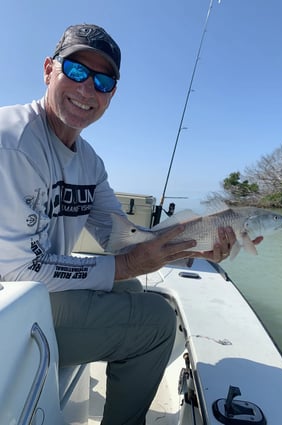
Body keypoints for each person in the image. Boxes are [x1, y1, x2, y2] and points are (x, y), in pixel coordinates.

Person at [0, 24, 243, 425]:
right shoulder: (13, 142)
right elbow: (16, 270)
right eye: (77, 71)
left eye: (103, 80)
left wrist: (196, 241)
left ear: (112, 93)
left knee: (133, 289)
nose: (86, 89)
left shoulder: (89, 162)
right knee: (158, 323)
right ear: (48, 70)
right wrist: (129, 264)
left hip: (34, 297)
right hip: (11, 307)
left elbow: (123, 239)